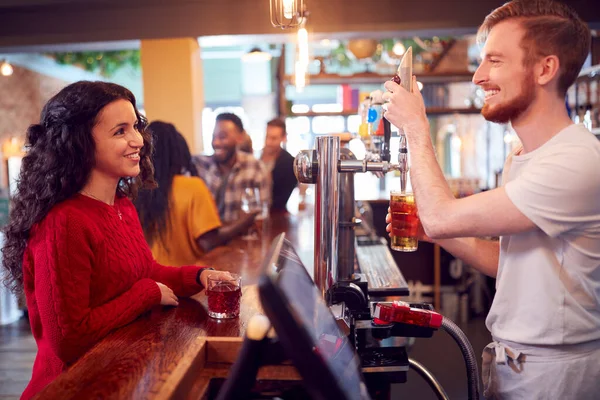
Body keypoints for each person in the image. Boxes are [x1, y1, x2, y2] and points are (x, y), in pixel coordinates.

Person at [383, 1, 599, 398]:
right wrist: (435, 233)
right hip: (515, 361)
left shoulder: (576, 161)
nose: (479, 76)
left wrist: (415, 126)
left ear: (545, 69)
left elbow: (442, 216)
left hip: (557, 376)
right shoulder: (521, 155)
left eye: (495, 61)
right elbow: (510, 264)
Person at [0, 81, 230, 399]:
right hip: (73, 385)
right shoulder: (64, 223)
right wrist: (146, 295)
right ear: (80, 143)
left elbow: (147, 271)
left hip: (118, 373)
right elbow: (69, 339)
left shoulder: (121, 205)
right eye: (120, 131)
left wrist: (199, 276)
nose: (137, 140)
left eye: (135, 126)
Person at [134, 121, 257, 266]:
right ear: (179, 150)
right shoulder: (192, 187)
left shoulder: (138, 190)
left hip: (151, 277)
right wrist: (245, 221)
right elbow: (209, 241)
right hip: (185, 279)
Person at [193, 113, 271, 223]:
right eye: (213, 137)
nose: (216, 142)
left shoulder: (254, 167)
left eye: (222, 137)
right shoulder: (200, 165)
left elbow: (260, 215)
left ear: (240, 138)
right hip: (207, 237)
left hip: (242, 238)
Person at [260, 118, 297, 212]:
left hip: (276, 216)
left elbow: (281, 200)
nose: (268, 142)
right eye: (267, 137)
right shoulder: (256, 157)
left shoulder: (289, 163)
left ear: (283, 138)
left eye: (273, 138)